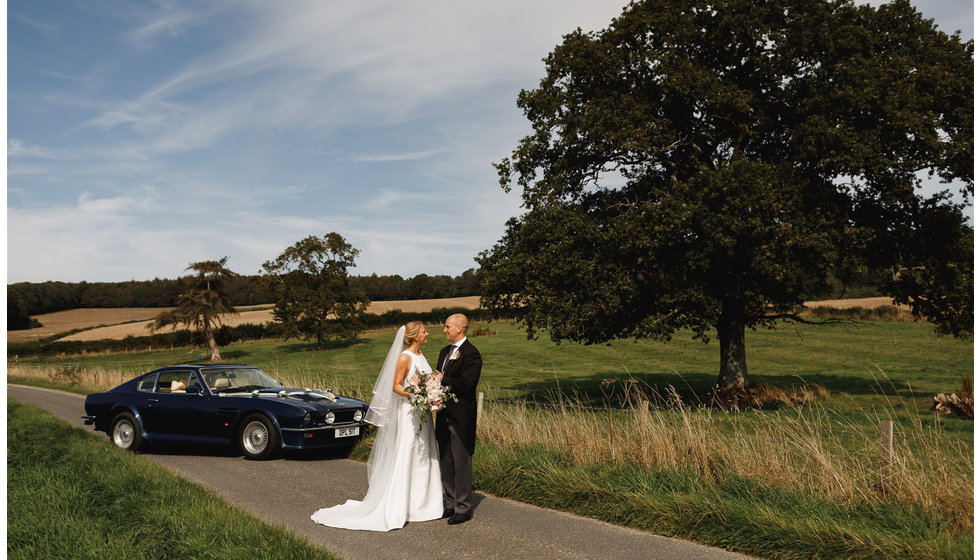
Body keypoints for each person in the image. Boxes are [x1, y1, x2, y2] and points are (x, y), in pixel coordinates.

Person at [310, 322, 443, 531]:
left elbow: (427, 382)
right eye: (424, 331)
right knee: (408, 451)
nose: (428, 333)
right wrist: (417, 395)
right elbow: (396, 385)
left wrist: (432, 392)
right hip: (409, 412)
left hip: (422, 413)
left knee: (424, 451)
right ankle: (403, 506)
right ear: (415, 336)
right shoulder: (405, 357)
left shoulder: (421, 354)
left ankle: (424, 506)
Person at [434, 313, 483, 525]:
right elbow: (438, 380)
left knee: (461, 462)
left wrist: (443, 380)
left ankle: (463, 507)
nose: (444, 330)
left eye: (447, 327)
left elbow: (468, 384)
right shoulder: (444, 352)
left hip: (461, 417)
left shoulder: (472, 354)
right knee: (446, 460)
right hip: (443, 414)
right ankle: (450, 503)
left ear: (459, 329)